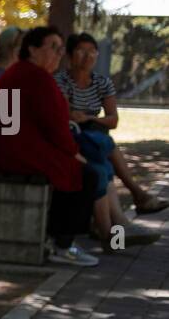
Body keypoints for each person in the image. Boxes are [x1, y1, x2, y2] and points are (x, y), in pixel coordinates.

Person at [0, 26, 102, 267]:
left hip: (13, 148)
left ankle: (59, 239)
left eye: (61, 49)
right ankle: (63, 244)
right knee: (85, 173)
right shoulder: (33, 76)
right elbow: (55, 125)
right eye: (53, 47)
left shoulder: (29, 74)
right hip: (12, 154)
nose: (59, 54)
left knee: (81, 169)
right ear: (33, 50)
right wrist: (73, 153)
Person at [56, 32, 166, 238]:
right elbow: (66, 115)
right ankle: (125, 215)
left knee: (102, 158)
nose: (88, 56)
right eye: (81, 51)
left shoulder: (102, 82)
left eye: (92, 51)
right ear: (70, 55)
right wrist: (88, 118)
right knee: (103, 160)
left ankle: (113, 228)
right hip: (74, 138)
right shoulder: (61, 80)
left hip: (93, 137)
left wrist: (90, 119)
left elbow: (113, 120)